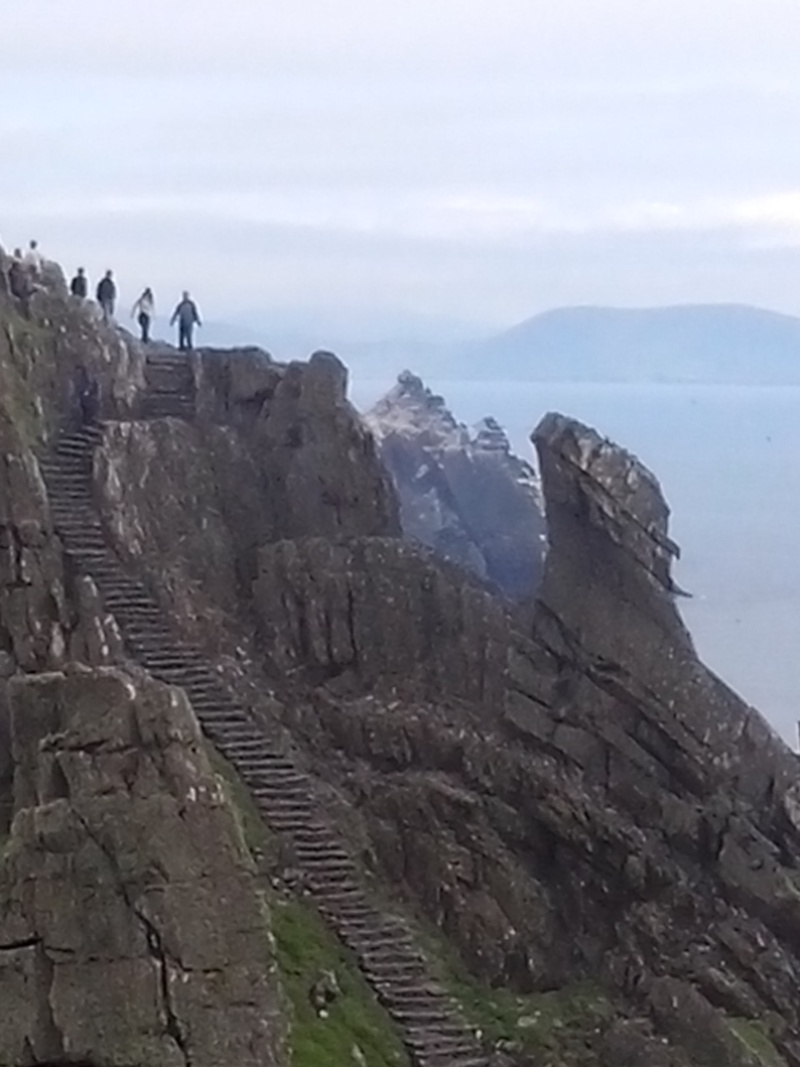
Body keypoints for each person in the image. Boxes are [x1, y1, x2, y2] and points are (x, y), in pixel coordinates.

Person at [8, 251, 32, 316]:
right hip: (18, 290)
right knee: (26, 297)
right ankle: (26, 314)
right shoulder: (20, 273)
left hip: (14, 289)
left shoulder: (11, 272)